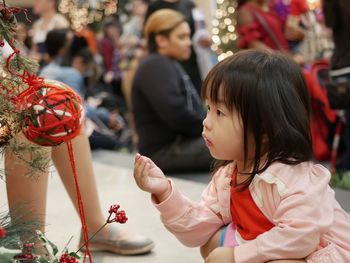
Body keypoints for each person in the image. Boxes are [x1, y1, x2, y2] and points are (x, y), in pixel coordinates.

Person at [133, 50, 350, 262]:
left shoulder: (292, 178)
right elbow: (196, 231)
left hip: (321, 253)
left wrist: (237, 256)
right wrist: (164, 192)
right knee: (210, 242)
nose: (206, 122)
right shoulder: (228, 177)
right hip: (272, 246)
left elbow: (301, 238)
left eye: (220, 113)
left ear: (265, 129)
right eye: (209, 108)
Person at [132, 9, 212, 173]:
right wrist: (211, 130)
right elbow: (176, 114)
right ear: (161, 40)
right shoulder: (155, 66)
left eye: (188, 36)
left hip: (177, 146)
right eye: (182, 37)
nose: (189, 43)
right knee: (234, 146)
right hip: (163, 153)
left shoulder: (167, 63)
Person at [145, 0, 210, 93]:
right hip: (164, 66)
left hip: (191, 65)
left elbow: (199, 31)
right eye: (181, 37)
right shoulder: (154, 6)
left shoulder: (189, 4)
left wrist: (204, 39)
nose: (189, 42)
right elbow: (148, 36)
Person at [323, 1, 350, 171]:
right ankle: (346, 168)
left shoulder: (333, 5)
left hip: (340, 67)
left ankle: (345, 168)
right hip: (346, 68)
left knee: (346, 123)